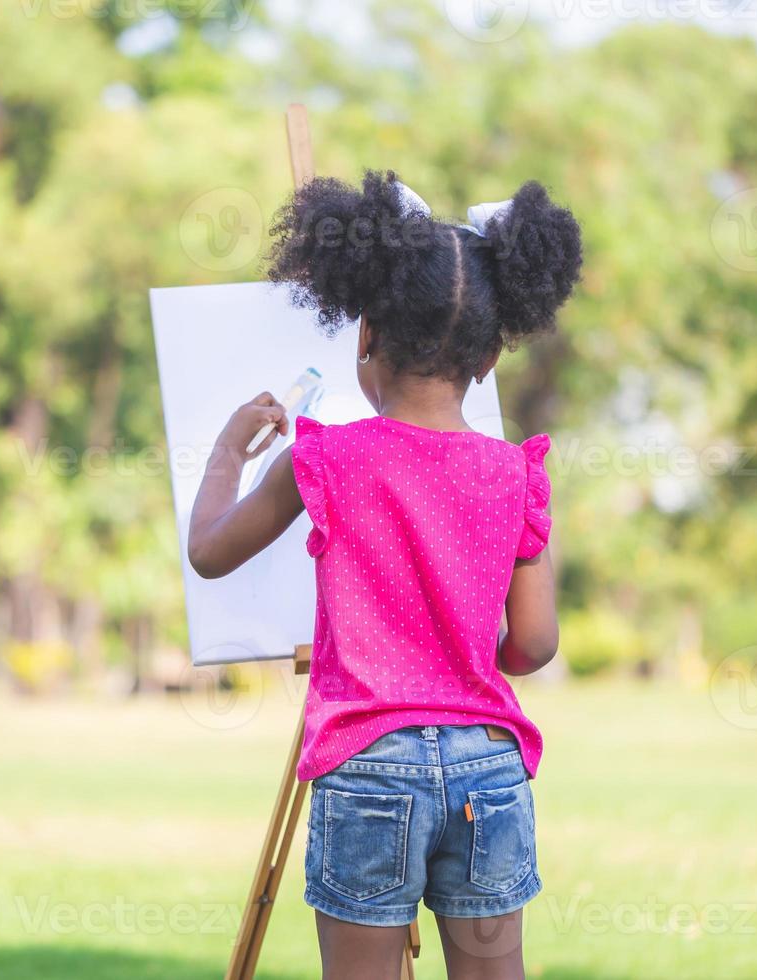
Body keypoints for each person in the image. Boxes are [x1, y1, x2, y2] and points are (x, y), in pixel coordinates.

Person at [188, 170, 582, 980]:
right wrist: (473, 661)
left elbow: (211, 551)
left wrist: (227, 452)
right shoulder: (516, 475)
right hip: (487, 769)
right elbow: (535, 643)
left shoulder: (324, 458)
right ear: (494, 351)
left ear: (364, 335)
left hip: (368, 766)